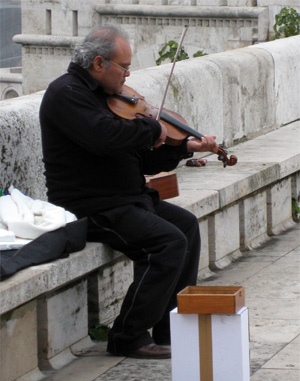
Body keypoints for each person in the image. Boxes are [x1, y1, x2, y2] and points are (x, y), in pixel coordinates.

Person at [39, 25, 219, 359]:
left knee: (186, 227)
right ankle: (128, 335)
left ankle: (169, 328)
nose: (127, 75)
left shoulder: (109, 99)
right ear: (98, 63)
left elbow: (146, 161)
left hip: (128, 200)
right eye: (123, 67)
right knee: (166, 243)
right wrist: (151, 125)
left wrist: (185, 146)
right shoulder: (66, 94)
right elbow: (103, 138)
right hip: (91, 206)